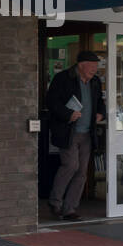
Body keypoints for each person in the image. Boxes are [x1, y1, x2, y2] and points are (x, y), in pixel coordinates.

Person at [45, 50, 106, 220]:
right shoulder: (63, 78)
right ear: (81, 65)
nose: (94, 69)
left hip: (87, 133)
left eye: (96, 66)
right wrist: (67, 114)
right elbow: (51, 101)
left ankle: (70, 208)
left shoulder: (94, 81)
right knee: (70, 166)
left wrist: (101, 113)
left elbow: (100, 102)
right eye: (91, 66)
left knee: (81, 172)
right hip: (69, 132)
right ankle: (55, 202)